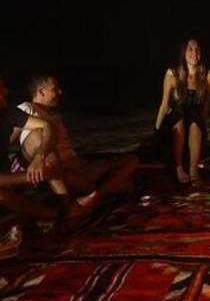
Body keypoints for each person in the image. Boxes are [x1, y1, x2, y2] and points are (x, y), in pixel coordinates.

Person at [0, 64, 87, 224]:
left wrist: (39, 158)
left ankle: (66, 202)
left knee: (39, 136)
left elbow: (47, 127)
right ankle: (56, 214)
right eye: (0, 89)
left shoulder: (4, 113)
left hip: (9, 177)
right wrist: (27, 178)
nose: (6, 91)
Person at [16, 73, 140, 209]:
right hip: (61, 173)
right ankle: (107, 189)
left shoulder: (55, 115)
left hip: (79, 166)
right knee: (71, 177)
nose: (60, 91)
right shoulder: (27, 109)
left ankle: (98, 193)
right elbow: (9, 135)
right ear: (41, 91)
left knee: (131, 160)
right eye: (55, 88)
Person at [153, 38, 210, 184]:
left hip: (194, 126)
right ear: (183, 53)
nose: (194, 53)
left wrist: (200, 129)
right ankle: (179, 167)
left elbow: (205, 109)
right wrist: (156, 131)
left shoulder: (209, 76)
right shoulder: (172, 74)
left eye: (197, 50)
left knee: (196, 114)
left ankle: (194, 169)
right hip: (174, 125)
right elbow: (164, 106)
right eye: (190, 49)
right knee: (179, 111)